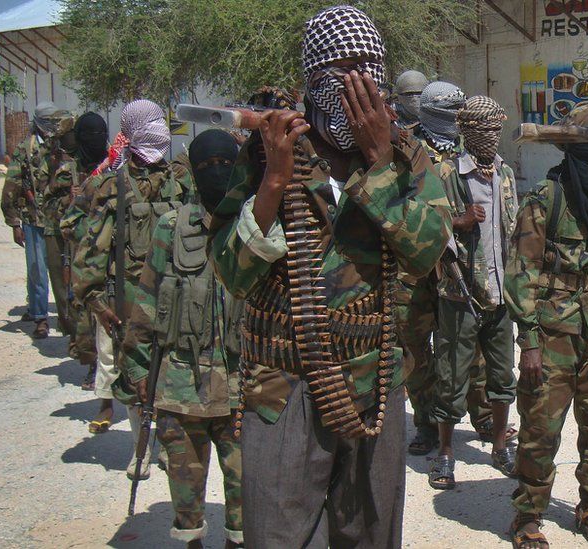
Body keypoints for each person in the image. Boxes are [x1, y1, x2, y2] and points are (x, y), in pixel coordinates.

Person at [207, 6, 451, 547]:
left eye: (369, 70)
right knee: (276, 532)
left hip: (375, 382)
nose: (357, 87)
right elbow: (231, 271)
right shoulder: (275, 148)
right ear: (312, 77)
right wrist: (272, 179)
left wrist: (381, 161)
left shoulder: (407, 157)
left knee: (369, 530)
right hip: (284, 381)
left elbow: (426, 252)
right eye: (340, 72)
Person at [506, 104, 588, 548]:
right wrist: (530, 342)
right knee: (540, 426)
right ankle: (528, 514)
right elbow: (520, 273)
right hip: (553, 332)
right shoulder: (545, 198)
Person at [122, 129, 244, 549]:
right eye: (207, 166)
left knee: (245, 493)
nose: (217, 173)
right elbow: (147, 299)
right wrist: (137, 368)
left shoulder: (255, 224)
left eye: (225, 164)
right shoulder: (171, 227)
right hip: (180, 383)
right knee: (185, 492)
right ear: (192, 171)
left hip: (241, 385)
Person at [72, 99, 189, 480]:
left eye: (160, 122)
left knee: (175, 375)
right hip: (130, 300)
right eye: (150, 124)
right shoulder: (112, 185)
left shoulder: (181, 180)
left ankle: (170, 449)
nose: (158, 132)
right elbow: (90, 245)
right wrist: (96, 301)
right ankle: (140, 449)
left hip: (178, 297)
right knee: (135, 377)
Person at [429, 96, 518, 489]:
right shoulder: (447, 171)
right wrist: (458, 221)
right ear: (467, 131)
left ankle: (500, 446)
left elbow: (511, 231)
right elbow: (426, 227)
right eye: (484, 129)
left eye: (496, 129)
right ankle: (445, 453)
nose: (491, 137)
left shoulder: (505, 173)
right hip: (460, 293)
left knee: (502, 375)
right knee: (451, 374)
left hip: (500, 294)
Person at [54, 112, 109, 389]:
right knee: (83, 310)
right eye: (89, 135)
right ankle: (91, 364)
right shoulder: (68, 171)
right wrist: (70, 200)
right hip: (80, 252)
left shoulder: (114, 167)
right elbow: (54, 213)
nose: (95, 140)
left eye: (100, 134)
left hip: (109, 252)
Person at [0, 102, 65, 338]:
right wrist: (15, 222)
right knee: (37, 269)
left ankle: (66, 315)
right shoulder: (25, 149)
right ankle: (40, 317)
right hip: (34, 219)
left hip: (61, 220)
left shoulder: (64, 146)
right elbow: (12, 186)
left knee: (63, 268)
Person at [39, 109, 80, 343]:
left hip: (82, 231)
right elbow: (46, 201)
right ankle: (72, 333)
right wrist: (68, 198)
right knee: (61, 285)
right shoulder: (51, 161)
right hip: (55, 229)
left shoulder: (91, 156)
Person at [418, 80, 465, 163]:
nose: (457, 114)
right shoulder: (411, 145)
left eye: (459, 107)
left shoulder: (466, 144)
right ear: (430, 112)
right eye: (450, 108)